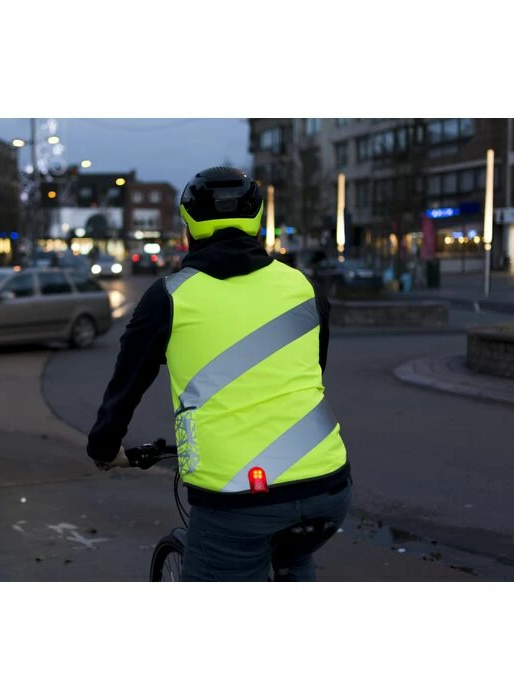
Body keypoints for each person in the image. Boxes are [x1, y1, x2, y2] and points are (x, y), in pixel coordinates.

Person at [87, 166, 351, 582]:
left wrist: (105, 449)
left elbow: (126, 386)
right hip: (327, 486)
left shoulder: (170, 297)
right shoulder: (302, 286)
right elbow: (311, 371)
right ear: (256, 221)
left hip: (237, 499)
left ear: (189, 225)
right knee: (293, 559)